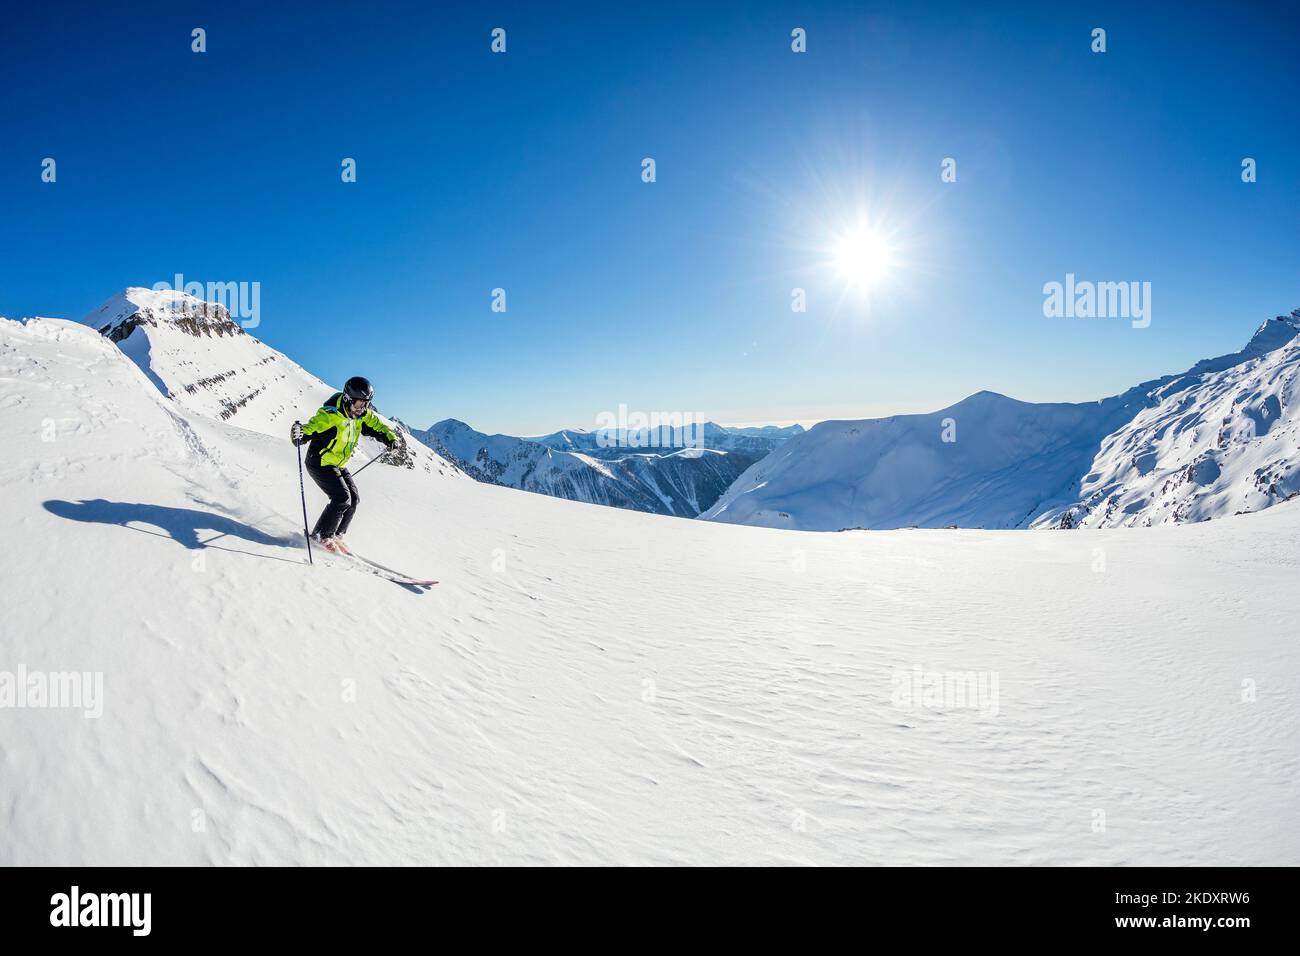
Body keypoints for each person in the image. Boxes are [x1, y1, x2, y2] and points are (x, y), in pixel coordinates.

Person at [291, 376, 404, 554]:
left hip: (337, 463)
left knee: (354, 499)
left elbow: (377, 426)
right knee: (341, 498)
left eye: (366, 404)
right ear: (347, 399)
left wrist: (390, 438)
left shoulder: (361, 415)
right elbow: (311, 428)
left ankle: (336, 533)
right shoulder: (330, 416)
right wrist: (300, 433)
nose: (362, 409)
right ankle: (321, 536)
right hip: (319, 462)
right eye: (359, 404)